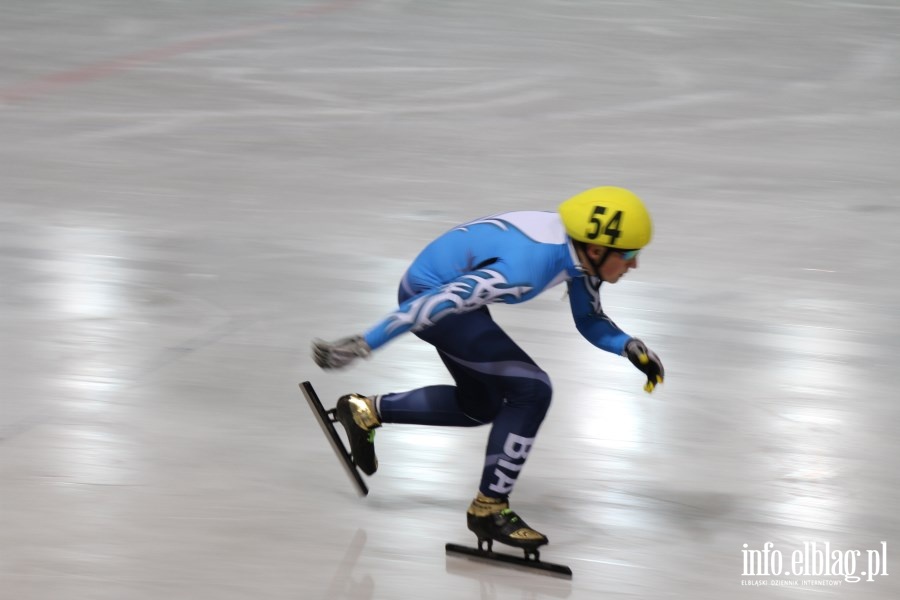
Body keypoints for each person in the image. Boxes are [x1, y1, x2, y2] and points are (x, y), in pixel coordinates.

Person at [311, 186, 664, 553]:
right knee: (533, 389)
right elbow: (436, 303)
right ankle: (489, 509)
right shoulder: (526, 267)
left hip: (446, 291)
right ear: (596, 249)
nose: (634, 264)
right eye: (630, 254)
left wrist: (627, 346)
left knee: (478, 405)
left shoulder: (576, 252)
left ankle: (364, 411)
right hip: (430, 296)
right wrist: (367, 342)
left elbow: (589, 318)